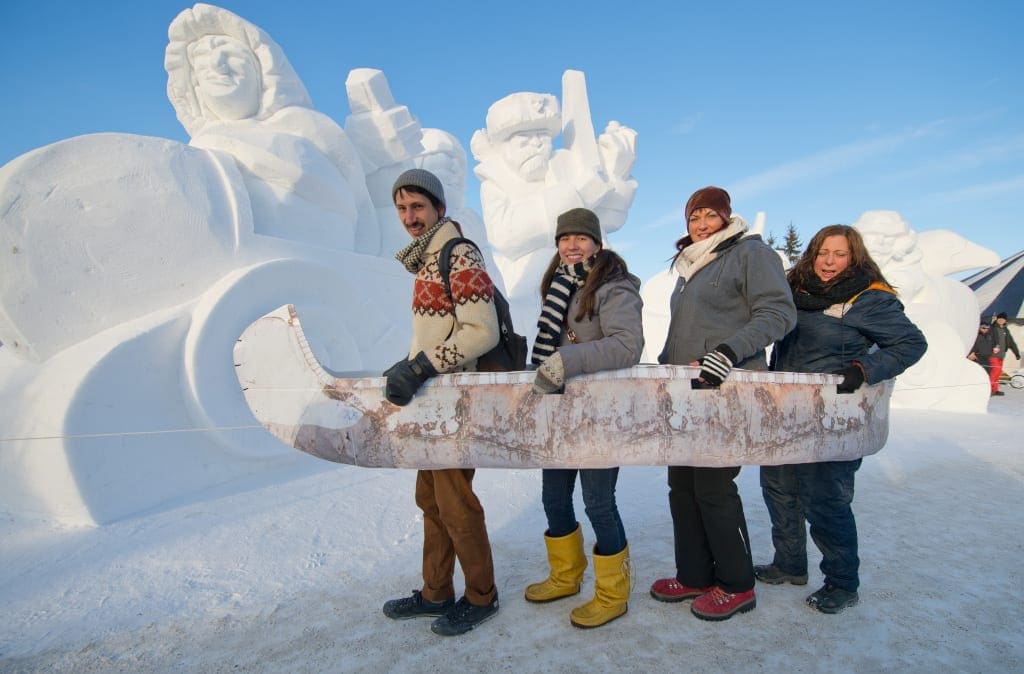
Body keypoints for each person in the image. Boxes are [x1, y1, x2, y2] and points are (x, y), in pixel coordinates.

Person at [756, 224, 926, 614]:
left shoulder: (868, 298)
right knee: (779, 488)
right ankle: (790, 564)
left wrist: (865, 370)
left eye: (840, 254)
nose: (829, 262)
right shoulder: (795, 292)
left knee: (825, 500)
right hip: (785, 412)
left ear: (854, 258)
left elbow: (911, 343)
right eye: (823, 253)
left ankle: (842, 582)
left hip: (833, 418)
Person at [649, 186, 797, 621]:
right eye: (694, 217)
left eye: (709, 215)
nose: (700, 224)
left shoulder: (751, 254)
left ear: (727, 217)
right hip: (687, 391)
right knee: (683, 485)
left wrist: (729, 352)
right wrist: (663, 370)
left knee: (714, 487)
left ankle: (737, 584)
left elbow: (778, 313)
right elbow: (687, 331)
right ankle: (694, 574)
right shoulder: (692, 265)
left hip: (726, 389)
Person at [380, 169, 501, 636]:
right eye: (402, 209)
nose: (410, 217)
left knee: (454, 503)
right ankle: (436, 592)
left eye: (418, 207)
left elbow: (481, 331)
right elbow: (439, 331)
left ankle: (481, 596)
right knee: (429, 498)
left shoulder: (458, 252)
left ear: (438, 210)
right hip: (432, 400)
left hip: (454, 402)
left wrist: (422, 367)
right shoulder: (426, 258)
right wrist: (408, 364)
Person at [526, 207, 644, 628]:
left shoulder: (614, 288)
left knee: (598, 502)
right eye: (564, 238)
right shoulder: (559, 286)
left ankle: (613, 594)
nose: (571, 245)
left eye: (581, 238)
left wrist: (565, 359)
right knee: (553, 498)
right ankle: (565, 575)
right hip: (559, 413)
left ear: (597, 243)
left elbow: (628, 346)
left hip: (598, 416)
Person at [988, 312, 1020, 396]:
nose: (1001, 320)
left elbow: (1011, 342)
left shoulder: (1006, 330)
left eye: (1003, 319)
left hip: (1001, 355)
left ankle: (995, 389)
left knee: (998, 373)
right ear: (997, 319)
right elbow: (987, 341)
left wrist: (1016, 353)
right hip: (993, 355)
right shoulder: (992, 328)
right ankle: (989, 389)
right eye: (1000, 319)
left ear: (1005, 320)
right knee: (995, 371)